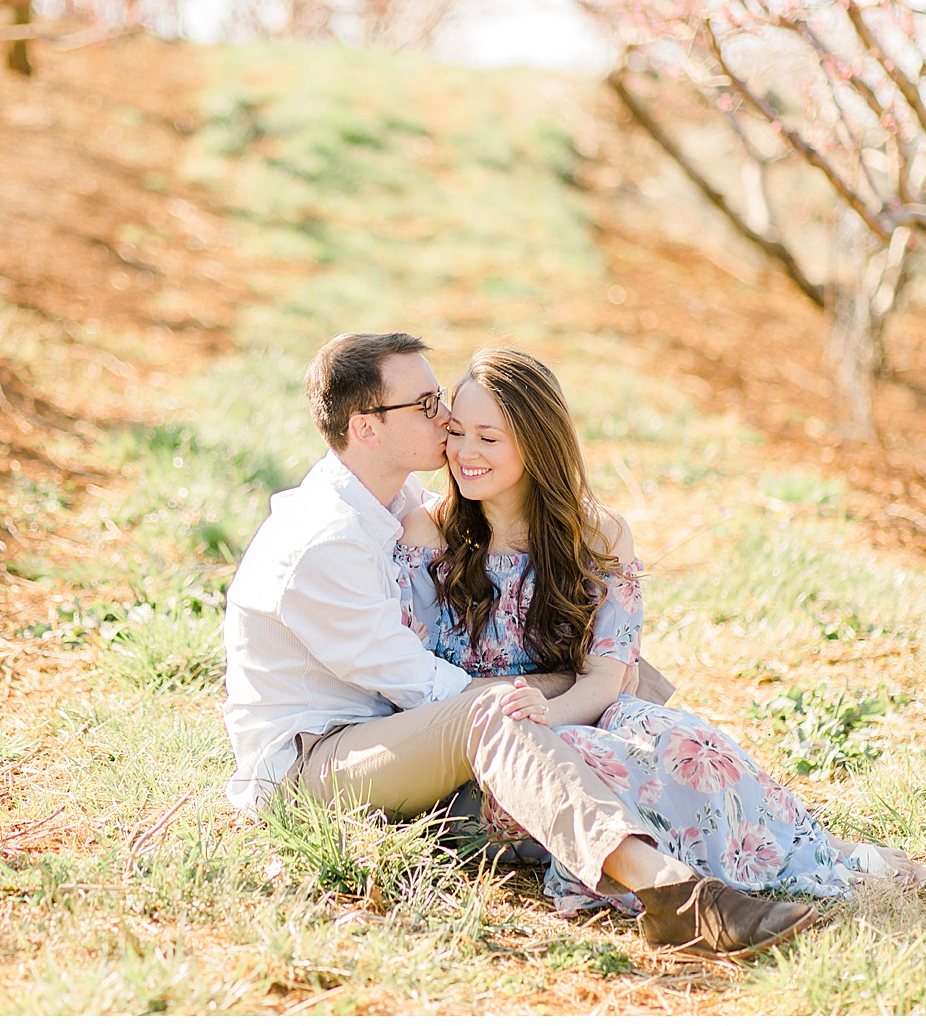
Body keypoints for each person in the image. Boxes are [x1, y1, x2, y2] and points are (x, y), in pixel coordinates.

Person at [222, 332, 820, 959]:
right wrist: (563, 686)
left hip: (386, 737)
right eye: (426, 404)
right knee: (498, 712)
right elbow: (424, 687)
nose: (445, 419)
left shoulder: (386, 500)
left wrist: (599, 676)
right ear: (366, 427)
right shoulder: (325, 541)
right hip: (312, 764)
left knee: (626, 684)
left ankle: (756, 837)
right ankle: (672, 893)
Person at [393, 345, 926, 916]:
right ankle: (705, 876)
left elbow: (608, 678)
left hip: (577, 711)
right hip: (487, 754)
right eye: (456, 432)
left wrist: (547, 710)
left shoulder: (597, 536)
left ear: (536, 442)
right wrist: (524, 716)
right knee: (583, 754)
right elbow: (414, 675)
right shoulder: (430, 536)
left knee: (672, 734)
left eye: (488, 438)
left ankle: (807, 848)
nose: (464, 453)